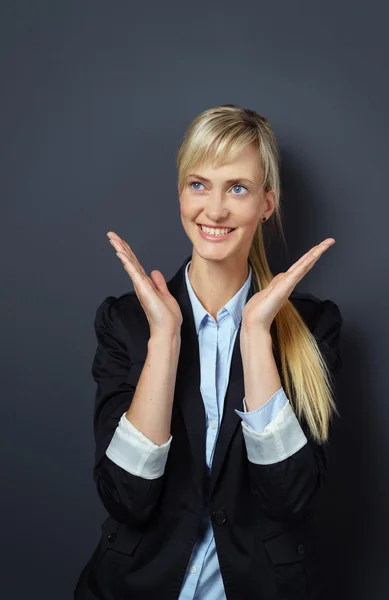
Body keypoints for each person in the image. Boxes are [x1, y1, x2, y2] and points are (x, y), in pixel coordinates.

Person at [74, 104, 342, 600]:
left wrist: (257, 333)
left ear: (267, 203)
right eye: (198, 184)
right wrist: (165, 341)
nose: (214, 210)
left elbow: (289, 500)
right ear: (181, 193)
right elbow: (126, 499)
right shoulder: (126, 323)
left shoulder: (316, 326)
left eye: (237, 188)